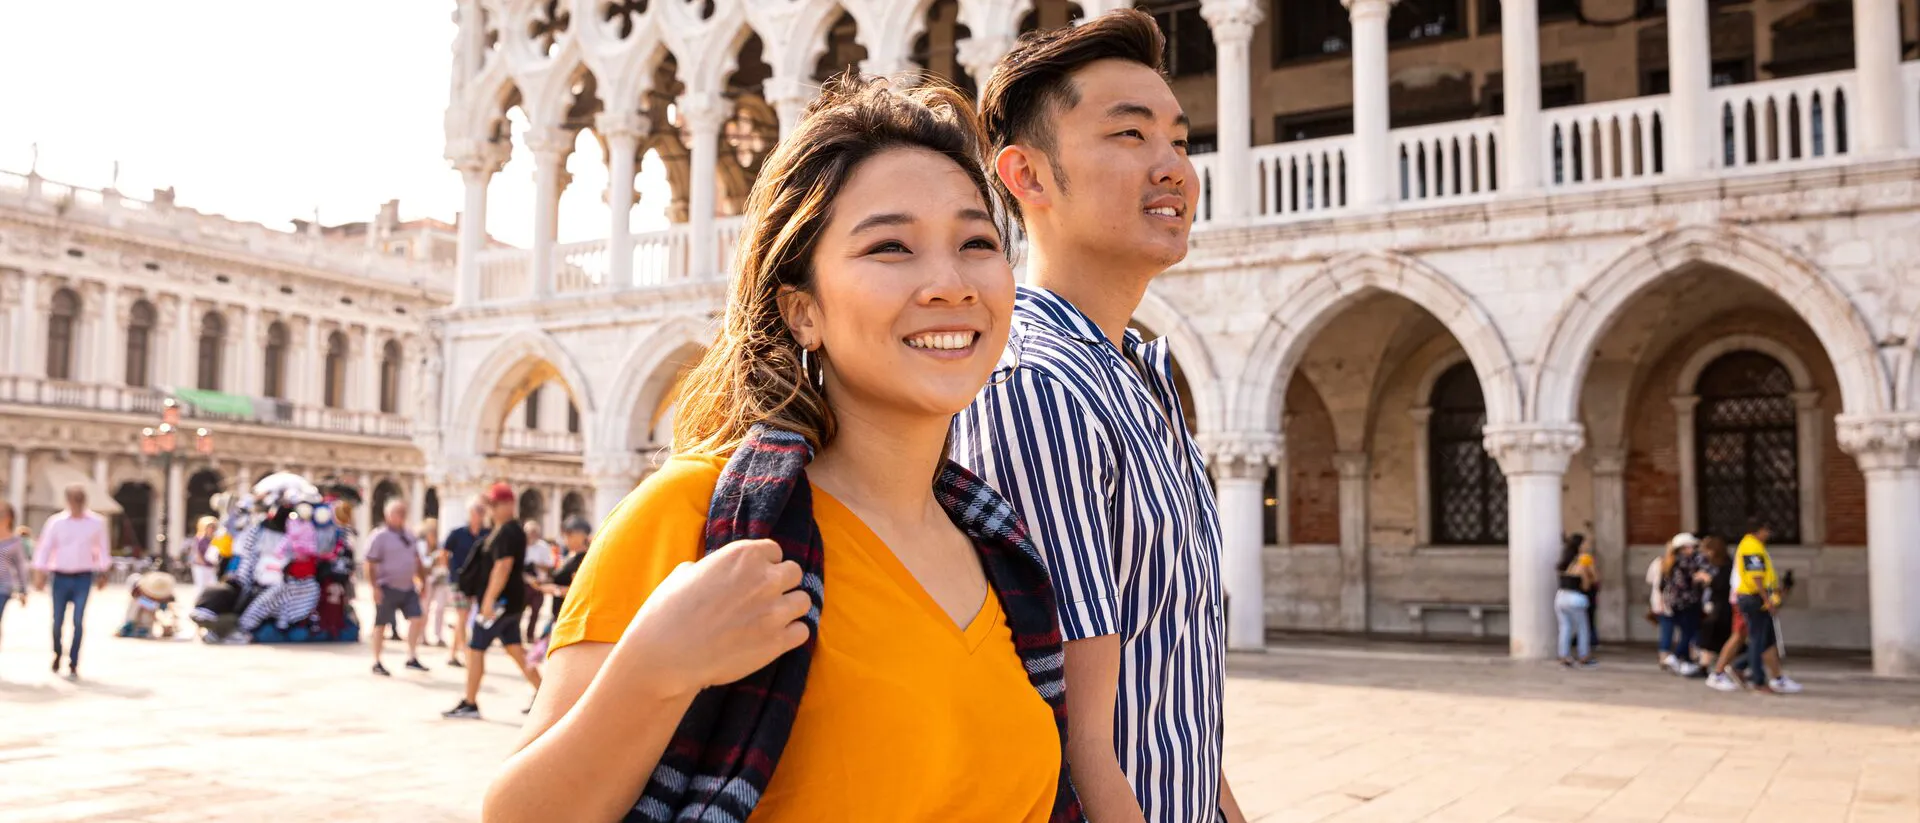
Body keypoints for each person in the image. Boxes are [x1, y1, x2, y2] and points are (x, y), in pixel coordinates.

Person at [484, 75, 1077, 823]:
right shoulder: (696, 516)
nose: (950, 283)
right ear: (802, 310)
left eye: (977, 242)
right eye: (891, 246)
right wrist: (653, 671)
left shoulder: (999, 551)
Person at [947, 11, 1244, 822]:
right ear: (1028, 176)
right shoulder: (1036, 388)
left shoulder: (1137, 381)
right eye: (1129, 136)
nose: (1173, 168)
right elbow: (1080, 746)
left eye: (1180, 142)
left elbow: (1173, 688)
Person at [443, 483, 540, 719]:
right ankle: (545, 692)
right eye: (489, 504)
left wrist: (488, 601)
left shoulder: (508, 531)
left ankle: (470, 702)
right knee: (515, 649)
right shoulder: (504, 529)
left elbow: (503, 566)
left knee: (475, 649)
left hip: (499, 604)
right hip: (508, 602)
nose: (491, 509)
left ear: (509, 504)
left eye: (495, 504)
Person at [1705, 522, 1802, 694]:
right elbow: (1756, 576)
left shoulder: (1755, 546)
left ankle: (1762, 673)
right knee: (1757, 639)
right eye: (1767, 530)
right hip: (1752, 597)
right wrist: (1767, 599)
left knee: (1766, 639)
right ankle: (1757, 679)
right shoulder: (1751, 546)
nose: (1769, 534)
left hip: (1756, 597)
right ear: (1760, 530)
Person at [31, 483, 111, 679]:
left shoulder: (96, 522)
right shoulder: (56, 522)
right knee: (57, 620)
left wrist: (103, 573)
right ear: (67, 501)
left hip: (83, 576)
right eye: (74, 500)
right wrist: (39, 574)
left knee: (78, 621)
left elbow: (102, 549)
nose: (77, 504)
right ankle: (58, 652)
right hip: (60, 576)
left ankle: (74, 660)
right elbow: (45, 548)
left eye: (80, 500)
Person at [365, 499, 428, 676]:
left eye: (403, 512)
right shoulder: (379, 536)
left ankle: (411, 656)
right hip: (387, 586)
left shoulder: (410, 535)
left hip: (408, 587)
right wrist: (374, 587)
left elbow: (417, 560)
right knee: (381, 624)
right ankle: (377, 660)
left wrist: (422, 581)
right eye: (397, 512)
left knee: (417, 618)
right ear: (388, 515)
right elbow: (370, 563)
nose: (401, 516)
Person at [440, 497, 488, 667]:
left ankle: (452, 654)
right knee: (462, 615)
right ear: (470, 513)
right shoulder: (457, 533)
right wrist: (450, 571)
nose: (479, 515)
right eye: (476, 511)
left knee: (464, 617)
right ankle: (465, 653)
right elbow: (444, 553)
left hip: (477, 582)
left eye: (482, 511)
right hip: (459, 581)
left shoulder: (487, 534)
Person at [1660, 533, 1711, 676]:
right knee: (1689, 631)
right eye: (1691, 546)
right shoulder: (1685, 561)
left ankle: (1686, 661)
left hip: (1676, 602)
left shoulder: (1672, 560)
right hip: (1688, 601)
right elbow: (1697, 576)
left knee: (1686, 631)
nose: (1694, 549)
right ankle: (1675, 657)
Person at [1554, 534, 1598, 668]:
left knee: (1564, 627)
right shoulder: (1583, 561)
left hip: (1560, 596)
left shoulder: (1565, 562)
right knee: (1582, 628)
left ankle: (1564, 655)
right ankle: (1584, 656)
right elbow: (1587, 584)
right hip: (1575, 598)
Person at [1696, 535, 1734, 669]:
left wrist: (1708, 580)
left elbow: (1723, 585)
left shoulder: (1727, 566)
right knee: (1711, 636)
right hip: (1713, 604)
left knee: (1715, 635)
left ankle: (1710, 666)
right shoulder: (1710, 564)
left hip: (1722, 606)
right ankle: (1707, 665)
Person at [0, 503, 29, 659]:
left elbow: (20, 567)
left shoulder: (14, 541)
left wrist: (23, 590)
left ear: (9, 517)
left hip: (3, 587)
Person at [520, 519, 554, 644]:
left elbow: (549, 566)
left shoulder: (542, 547)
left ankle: (530, 635)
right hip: (523, 583)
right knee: (519, 611)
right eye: (529, 532)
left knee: (535, 611)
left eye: (534, 532)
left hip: (538, 583)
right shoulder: (520, 545)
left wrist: (535, 566)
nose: (532, 535)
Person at [418, 517, 449, 647]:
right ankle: (422, 635)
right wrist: (434, 560)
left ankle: (438, 635)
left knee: (440, 608)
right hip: (427, 580)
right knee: (425, 608)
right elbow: (423, 563)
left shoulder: (441, 545)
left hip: (440, 580)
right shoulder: (421, 546)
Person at [188, 516, 219, 591]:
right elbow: (196, 553)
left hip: (211, 566)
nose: (211, 529)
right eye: (210, 527)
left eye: (213, 527)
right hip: (200, 566)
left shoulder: (215, 539)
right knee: (200, 587)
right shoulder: (200, 539)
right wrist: (203, 563)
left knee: (213, 585)